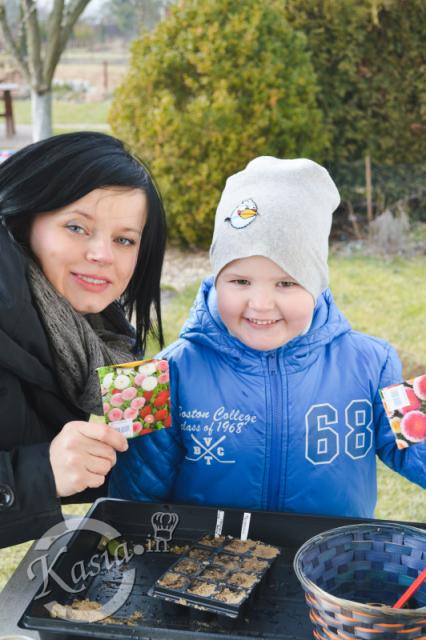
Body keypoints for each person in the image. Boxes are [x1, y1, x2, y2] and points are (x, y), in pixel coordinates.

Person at [110, 156, 425, 518]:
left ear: (317, 285)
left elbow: (417, 444)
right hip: (208, 566)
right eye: (240, 281)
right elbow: (129, 505)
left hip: (331, 566)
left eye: (286, 283)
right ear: (215, 279)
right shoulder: (156, 378)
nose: (260, 304)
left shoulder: (374, 363)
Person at [0, 132, 167, 547]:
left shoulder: (98, 332)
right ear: (24, 220)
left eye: (124, 239)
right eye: (77, 227)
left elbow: (143, 455)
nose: (102, 254)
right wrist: (43, 474)